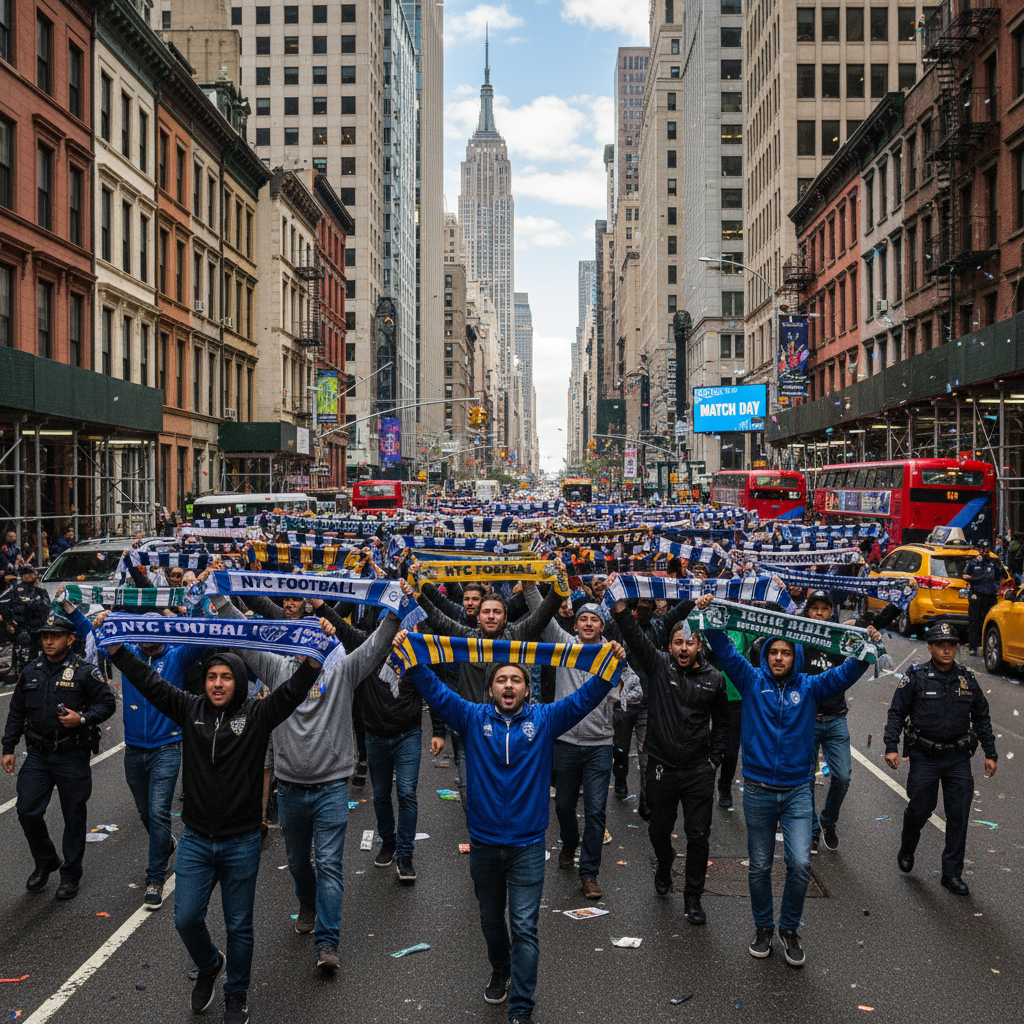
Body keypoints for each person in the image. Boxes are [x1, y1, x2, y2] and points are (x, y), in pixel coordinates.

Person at [394, 629, 626, 1024]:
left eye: (516, 679)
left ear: (526, 689)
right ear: (490, 690)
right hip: (483, 846)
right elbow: (433, 688)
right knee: (490, 920)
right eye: (501, 679)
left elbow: (588, 696)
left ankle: (521, 1007)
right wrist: (410, 655)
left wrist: (610, 664)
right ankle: (500, 968)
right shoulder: (470, 717)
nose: (508, 684)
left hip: (529, 846)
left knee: (524, 926)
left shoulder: (547, 719)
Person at [107, 642, 327, 1024]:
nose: (218, 684)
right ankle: (210, 964)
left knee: (239, 925)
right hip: (194, 839)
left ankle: (236, 995)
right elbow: (149, 682)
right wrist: (117, 652)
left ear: (239, 682)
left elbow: (292, 692)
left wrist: (313, 662)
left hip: (241, 841)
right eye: (212, 677)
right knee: (185, 918)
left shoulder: (258, 714)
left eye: (226, 677)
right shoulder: (188, 708)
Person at [213, 594, 401, 968]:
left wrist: (395, 605)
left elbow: (377, 644)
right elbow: (244, 637)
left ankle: (327, 943)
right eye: (298, 638)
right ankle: (306, 901)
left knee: (330, 863)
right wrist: (220, 599)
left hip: (332, 788)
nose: (304, 644)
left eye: (312, 637)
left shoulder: (343, 671)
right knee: (298, 861)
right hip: (291, 787)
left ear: (323, 640)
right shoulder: (278, 670)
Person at [704, 616, 880, 967]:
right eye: (774, 652)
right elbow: (723, 648)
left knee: (799, 864)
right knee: (759, 867)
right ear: (766, 655)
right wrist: (710, 619)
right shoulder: (750, 680)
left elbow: (846, 674)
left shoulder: (812, 686)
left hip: (799, 790)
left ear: (795, 656)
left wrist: (866, 647)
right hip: (757, 790)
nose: (779, 658)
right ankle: (763, 929)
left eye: (786, 652)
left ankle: (789, 930)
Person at [612, 589, 729, 924]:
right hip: (662, 768)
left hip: (697, 771)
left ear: (698, 647)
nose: (683, 648)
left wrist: (714, 759)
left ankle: (693, 898)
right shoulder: (658, 666)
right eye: (678, 642)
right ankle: (665, 864)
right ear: (669, 646)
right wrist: (619, 602)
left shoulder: (714, 679)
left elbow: (723, 722)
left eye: (689, 642)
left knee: (699, 836)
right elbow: (633, 635)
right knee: (658, 831)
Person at [86, 604, 203, 909]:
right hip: (135, 749)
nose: (147, 640)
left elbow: (202, 634)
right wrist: (100, 619)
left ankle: (154, 878)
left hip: (168, 746)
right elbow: (87, 628)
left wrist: (179, 618)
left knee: (158, 810)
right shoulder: (129, 654)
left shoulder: (177, 655)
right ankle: (166, 843)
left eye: (155, 633)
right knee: (144, 812)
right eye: (142, 633)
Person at [524, 589, 639, 900]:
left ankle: (589, 873)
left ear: (602, 627)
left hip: (599, 745)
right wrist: (530, 574)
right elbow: (540, 607)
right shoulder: (564, 646)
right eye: (582, 619)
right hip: (564, 742)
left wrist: (620, 676)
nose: (588, 624)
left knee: (596, 812)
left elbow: (636, 693)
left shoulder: (612, 653)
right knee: (562, 806)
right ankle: (569, 842)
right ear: (574, 625)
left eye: (594, 620)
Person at [1, 612, 116, 899]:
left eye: (55, 636)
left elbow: (107, 703)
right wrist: (8, 747)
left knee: (74, 816)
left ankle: (70, 874)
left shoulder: (84, 671)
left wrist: (83, 719)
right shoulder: (32, 670)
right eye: (45, 636)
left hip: (71, 753)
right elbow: (17, 712)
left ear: (70, 639)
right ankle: (46, 860)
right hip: (38, 753)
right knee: (27, 809)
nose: (48, 640)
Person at [883, 620, 997, 895]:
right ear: (931, 648)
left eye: (951, 646)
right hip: (924, 755)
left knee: (958, 815)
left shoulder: (967, 679)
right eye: (941, 646)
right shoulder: (916, 676)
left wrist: (990, 753)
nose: (947, 651)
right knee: (920, 808)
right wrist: (891, 746)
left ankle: (951, 874)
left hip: (958, 758)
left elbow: (981, 716)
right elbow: (897, 712)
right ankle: (908, 846)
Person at [962, 540, 1002, 656]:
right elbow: (964, 575)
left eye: (987, 549)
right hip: (977, 595)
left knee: (989, 622)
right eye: (982, 549)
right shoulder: (973, 563)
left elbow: (1001, 577)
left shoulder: (993, 563)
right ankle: (973, 646)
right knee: (974, 621)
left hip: (990, 596)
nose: (985, 551)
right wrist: (971, 578)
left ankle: (986, 646)